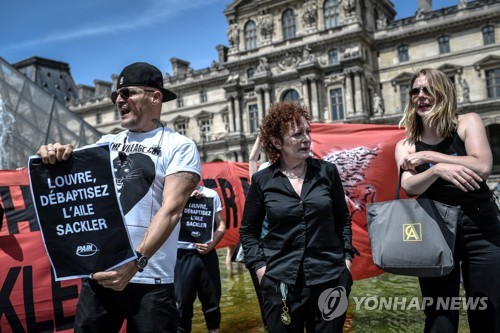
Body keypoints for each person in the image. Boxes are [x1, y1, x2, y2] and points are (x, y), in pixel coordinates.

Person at [37, 62, 201, 332]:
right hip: (102, 277)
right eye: (116, 95)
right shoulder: (105, 143)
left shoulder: (179, 146)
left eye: (127, 93)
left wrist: (136, 263)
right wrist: (54, 154)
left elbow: (172, 210)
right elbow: (69, 171)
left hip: (152, 281)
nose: (118, 100)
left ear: (155, 97)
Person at [395, 68, 500, 333]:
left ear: (443, 92)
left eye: (428, 89)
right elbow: (408, 185)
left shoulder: (468, 122)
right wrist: (436, 170)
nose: (421, 95)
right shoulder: (406, 144)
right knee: (439, 314)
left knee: (489, 309)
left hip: (481, 226)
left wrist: (431, 157)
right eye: (415, 91)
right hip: (434, 230)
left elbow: (482, 165)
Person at [239, 101, 358, 332]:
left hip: (331, 277)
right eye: (296, 134)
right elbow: (248, 231)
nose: (306, 139)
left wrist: (346, 261)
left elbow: (343, 219)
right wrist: (261, 270)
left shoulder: (327, 172)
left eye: (307, 132)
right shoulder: (263, 181)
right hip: (280, 281)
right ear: (276, 142)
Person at [175, 184, 226, 333]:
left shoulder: (211, 195)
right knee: (182, 304)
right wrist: (185, 199)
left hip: (207, 255)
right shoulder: (173, 193)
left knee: (212, 301)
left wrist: (212, 244)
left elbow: (221, 225)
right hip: (181, 255)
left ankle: (214, 330)